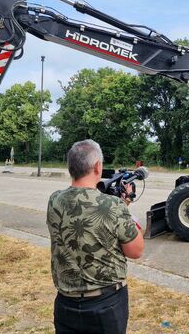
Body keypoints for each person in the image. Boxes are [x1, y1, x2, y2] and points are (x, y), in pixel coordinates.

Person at [46, 139, 144, 334]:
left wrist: (118, 205)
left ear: (70, 167)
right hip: (105, 305)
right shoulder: (113, 206)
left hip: (65, 303)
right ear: (98, 166)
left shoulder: (54, 200)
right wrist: (123, 208)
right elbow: (135, 251)